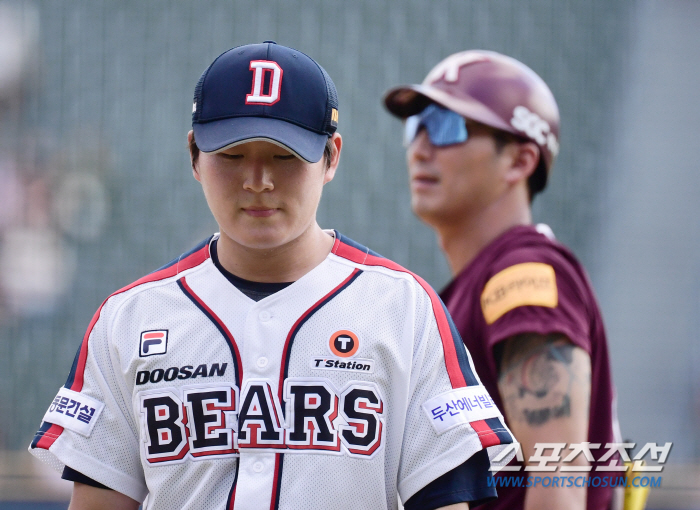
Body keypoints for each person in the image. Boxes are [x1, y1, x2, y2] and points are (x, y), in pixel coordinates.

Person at [29, 42, 515, 510]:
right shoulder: (128, 319)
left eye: (285, 156)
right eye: (232, 154)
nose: (257, 180)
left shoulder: (404, 308)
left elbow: (445, 498)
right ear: (194, 154)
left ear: (332, 157)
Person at [384, 50, 620, 510]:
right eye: (417, 125)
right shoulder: (473, 287)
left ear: (520, 161)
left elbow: (560, 491)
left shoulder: (522, 275)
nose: (421, 146)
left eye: (449, 126)